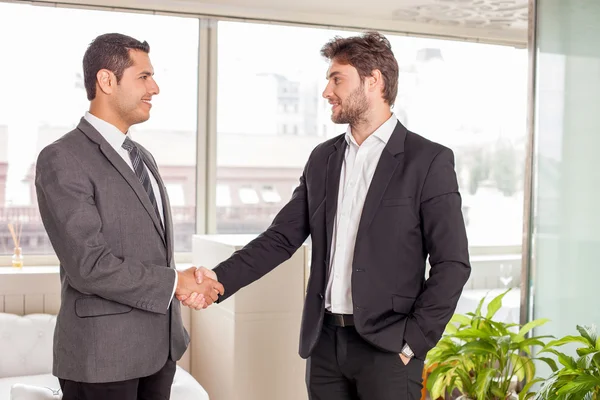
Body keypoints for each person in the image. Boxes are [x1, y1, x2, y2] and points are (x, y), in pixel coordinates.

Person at [182, 30, 470, 399]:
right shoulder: (323, 158)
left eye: (337, 79)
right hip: (325, 344)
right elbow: (281, 238)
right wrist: (218, 280)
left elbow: (453, 263)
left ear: (373, 81)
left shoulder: (427, 160)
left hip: (388, 349)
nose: (326, 92)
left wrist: (412, 342)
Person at [35, 33, 223, 400]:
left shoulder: (141, 155)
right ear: (106, 81)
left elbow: (146, 247)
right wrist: (176, 283)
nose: (155, 87)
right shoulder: (62, 158)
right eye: (143, 77)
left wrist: (182, 281)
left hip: (158, 352)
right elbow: (89, 265)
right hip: (103, 358)